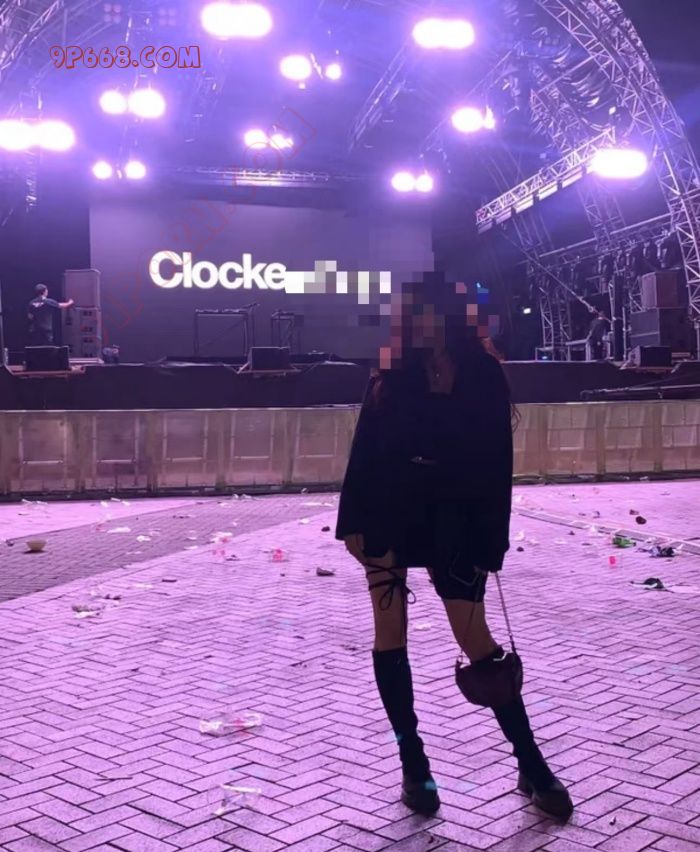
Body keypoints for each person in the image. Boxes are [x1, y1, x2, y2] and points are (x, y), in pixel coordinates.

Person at [335, 277, 573, 821]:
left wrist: (492, 540)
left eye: (428, 312)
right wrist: (351, 523)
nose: (419, 323)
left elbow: (495, 464)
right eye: (411, 314)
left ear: (451, 315)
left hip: (456, 518)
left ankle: (531, 763)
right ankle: (414, 765)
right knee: (389, 634)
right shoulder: (392, 373)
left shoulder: (481, 371)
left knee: (476, 638)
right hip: (389, 512)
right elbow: (364, 451)